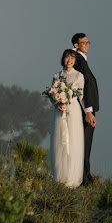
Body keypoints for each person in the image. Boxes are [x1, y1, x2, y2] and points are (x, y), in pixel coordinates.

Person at [50, 49, 86, 187]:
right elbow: (52, 93)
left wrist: (69, 102)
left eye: (72, 58)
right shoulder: (57, 75)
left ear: (75, 60)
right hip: (59, 113)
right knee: (60, 143)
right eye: (67, 57)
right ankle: (60, 175)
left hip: (73, 112)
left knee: (73, 141)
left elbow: (80, 96)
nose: (69, 60)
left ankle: (71, 177)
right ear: (63, 59)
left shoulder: (79, 76)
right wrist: (57, 102)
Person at [70, 32, 100, 186]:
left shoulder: (80, 59)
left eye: (89, 42)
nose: (88, 45)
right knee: (84, 143)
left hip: (85, 108)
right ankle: (84, 178)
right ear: (76, 44)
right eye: (84, 42)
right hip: (84, 108)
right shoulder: (79, 60)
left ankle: (85, 176)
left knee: (85, 142)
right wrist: (88, 110)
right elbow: (83, 85)